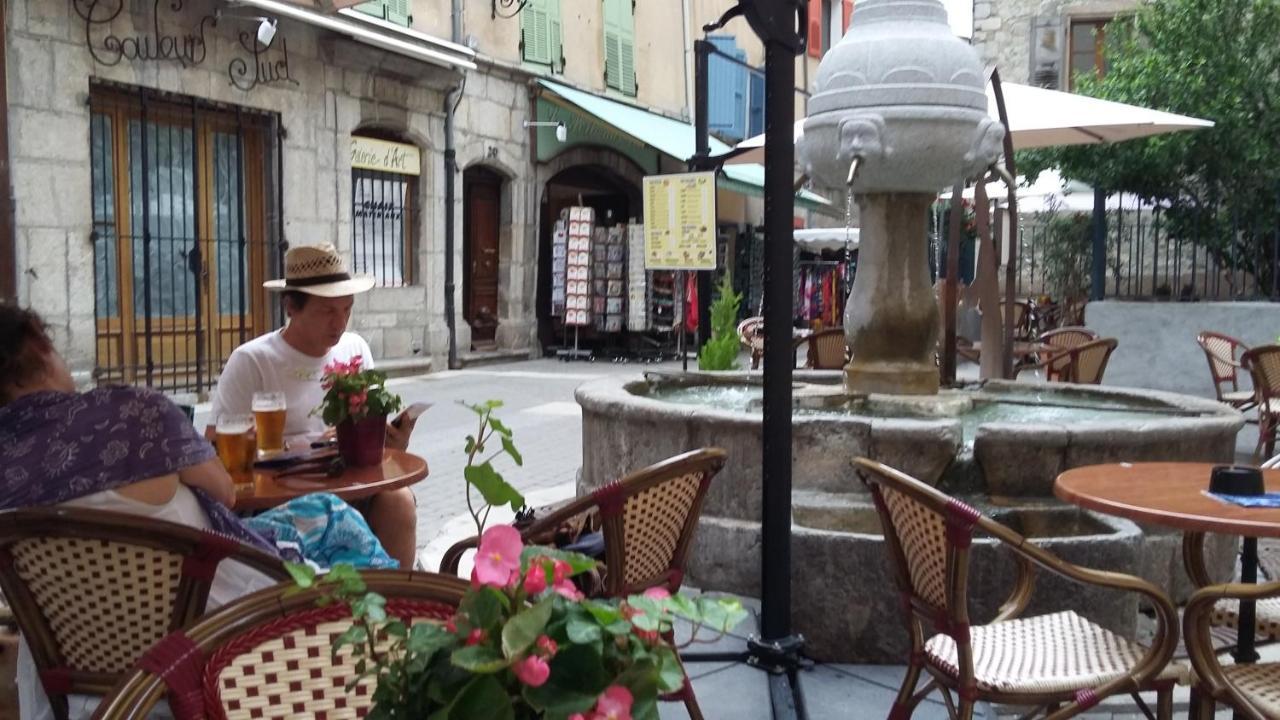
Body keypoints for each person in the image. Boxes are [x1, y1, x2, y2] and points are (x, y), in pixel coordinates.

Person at [0, 305, 396, 720]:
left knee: (323, 513)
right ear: (40, 348)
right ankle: (385, 644)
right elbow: (223, 493)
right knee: (335, 517)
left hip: (80, 670)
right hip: (219, 624)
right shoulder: (131, 414)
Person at [208, 243, 420, 567]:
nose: (340, 323)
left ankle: (399, 611)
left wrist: (392, 442)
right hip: (280, 502)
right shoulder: (253, 360)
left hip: (350, 487)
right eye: (327, 312)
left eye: (346, 310)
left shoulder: (356, 348)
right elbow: (214, 445)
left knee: (399, 502)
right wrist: (287, 447)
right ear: (291, 306)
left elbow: (375, 442)